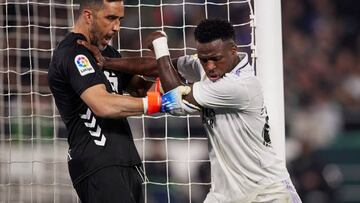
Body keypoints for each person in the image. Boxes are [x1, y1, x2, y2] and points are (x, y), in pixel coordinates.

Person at [145, 19, 303, 202]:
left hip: (267, 192)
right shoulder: (208, 69)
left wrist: (160, 46)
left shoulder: (239, 85)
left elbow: (175, 100)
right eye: (204, 59)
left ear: (233, 51)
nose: (209, 66)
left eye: (216, 59)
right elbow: (159, 67)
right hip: (225, 194)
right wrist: (108, 64)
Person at [47, 0, 174, 202]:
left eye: (119, 19)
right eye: (110, 18)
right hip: (98, 162)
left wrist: (167, 68)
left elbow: (141, 89)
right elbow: (102, 105)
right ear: (88, 16)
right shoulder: (71, 52)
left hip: (128, 161)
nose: (117, 27)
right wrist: (160, 103)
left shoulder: (108, 55)